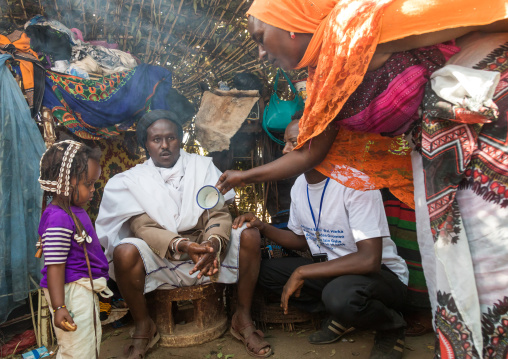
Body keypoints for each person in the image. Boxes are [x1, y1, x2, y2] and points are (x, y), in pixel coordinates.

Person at [215, 1, 508, 358]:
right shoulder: (324, 78)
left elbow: (466, 13)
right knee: (451, 263)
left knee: (490, 265)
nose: (260, 53)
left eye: (261, 38)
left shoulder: (354, 26)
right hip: (437, 147)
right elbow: (311, 154)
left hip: (485, 119)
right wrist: (245, 181)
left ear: (291, 24)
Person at [95, 110, 271, 358]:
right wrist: (183, 245)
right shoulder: (130, 180)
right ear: (146, 144)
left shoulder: (203, 167)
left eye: (171, 138)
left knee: (249, 235)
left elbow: (217, 213)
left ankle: (242, 318)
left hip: (208, 249)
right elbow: (142, 227)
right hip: (163, 252)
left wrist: (212, 244)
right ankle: (144, 326)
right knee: (124, 251)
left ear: (180, 139)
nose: (164, 145)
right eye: (156, 139)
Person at [234, 119, 409, 358]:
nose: (285, 151)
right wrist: (263, 227)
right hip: (334, 272)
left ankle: (391, 326)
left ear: (320, 146)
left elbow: (369, 260)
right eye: (285, 143)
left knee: (339, 295)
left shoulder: (356, 183)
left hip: (381, 277)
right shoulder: (299, 187)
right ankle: (342, 315)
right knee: (265, 273)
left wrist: (302, 272)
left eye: (294, 143)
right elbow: (301, 239)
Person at [37, 140, 110, 359]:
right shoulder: (59, 218)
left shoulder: (73, 210)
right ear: (65, 183)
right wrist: (60, 307)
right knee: (77, 350)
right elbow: (55, 266)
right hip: (70, 291)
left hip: (80, 289)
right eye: (89, 184)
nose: (93, 190)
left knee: (87, 344)